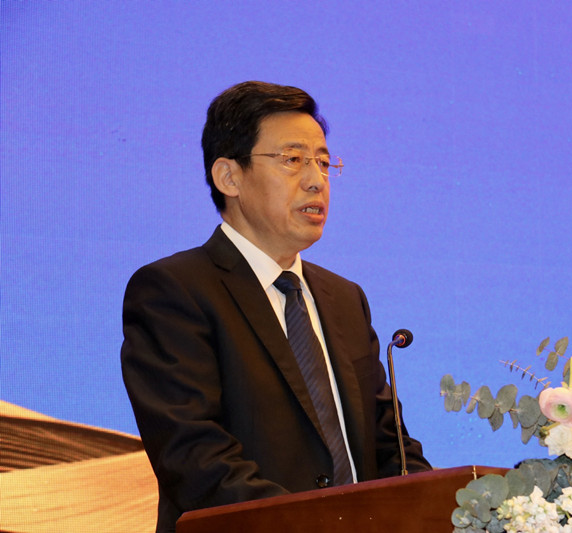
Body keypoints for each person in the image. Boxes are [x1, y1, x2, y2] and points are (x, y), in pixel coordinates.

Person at [121, 81, 431, 532]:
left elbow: (392, 448)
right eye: (292, 159)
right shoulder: (174, 291)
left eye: (323, 162)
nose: (316, 179)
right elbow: (196, 460)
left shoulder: (345, 299)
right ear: (229, 177)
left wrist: (438, 508)